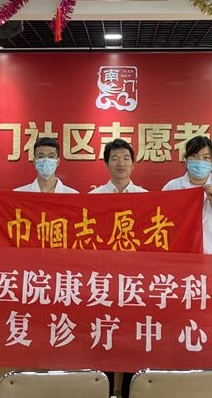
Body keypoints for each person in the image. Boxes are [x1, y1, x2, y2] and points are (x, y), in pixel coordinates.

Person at [89, 138, 146, 397]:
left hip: (136, 282)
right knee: (106, 337)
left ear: (133, 164)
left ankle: (131, 392)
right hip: (104, 281)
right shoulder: (94, 198)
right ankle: (105, 391)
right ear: (106, 164)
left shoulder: (147, 198)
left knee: (133, 340)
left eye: (125, 158)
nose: (120, 163)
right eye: (114, 158)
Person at [162, 135, 212, 255]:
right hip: (181, 257)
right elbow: (161, 225)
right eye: (194, 156)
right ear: (186, 160)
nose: (199, 161)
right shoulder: (172, 187)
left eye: (206, 157)